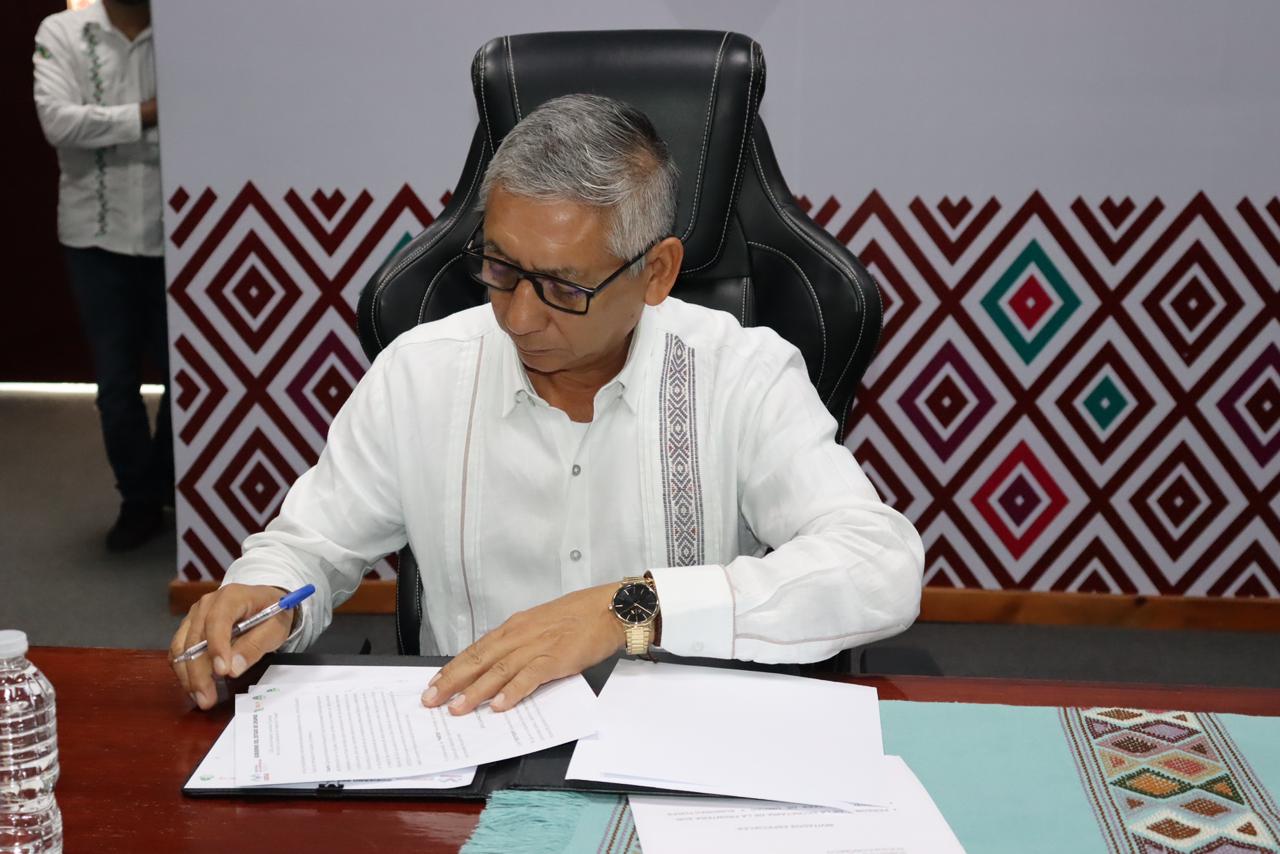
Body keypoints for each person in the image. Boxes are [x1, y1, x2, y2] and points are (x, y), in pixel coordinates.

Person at [171, 94, 924, 714]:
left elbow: (878, 566)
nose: (520, 318)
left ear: (657, 272)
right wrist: (265, 595)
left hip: (681, 752)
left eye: (564, 286)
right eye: (500, 269)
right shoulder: (421, 374)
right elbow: (310, 548)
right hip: (468, 741)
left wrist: (631, 609)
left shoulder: (741, 375)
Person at [33, 0, 172, 551]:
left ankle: (169, 484)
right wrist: (151, 114)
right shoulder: (64, 31)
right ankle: (138, 499)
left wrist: (108, 123)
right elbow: (59, 122)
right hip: (94, 236)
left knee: (185, 377)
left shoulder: (184, 34)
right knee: (116, 385)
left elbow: (211, 115)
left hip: (176, 236)